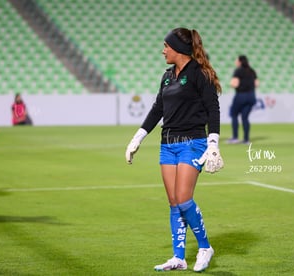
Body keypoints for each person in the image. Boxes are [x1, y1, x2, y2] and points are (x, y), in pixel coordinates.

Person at [125, 27, 224, 272]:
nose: (163, 51)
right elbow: (158, 109)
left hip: (193, 143)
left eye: (166, 47)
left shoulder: (200, 74)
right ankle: (179, 258)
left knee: (183, 198)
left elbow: (213, 108)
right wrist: (138, 136)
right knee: (173, 202)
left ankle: (205, 247)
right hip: (167, 145)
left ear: (178, 49)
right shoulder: (167, 76)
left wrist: (213, 143)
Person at [227, 55, 259, 144]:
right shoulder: (252, 71)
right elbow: (257, 84)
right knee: (245, 118)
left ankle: (235, 137)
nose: (235, 62)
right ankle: (246, 139)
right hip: (251, 96)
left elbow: (235, 84)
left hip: (241, 96)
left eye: (236, 60)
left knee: (234, 115)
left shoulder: (238, 71)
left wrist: (232, 84)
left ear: (240, 62)